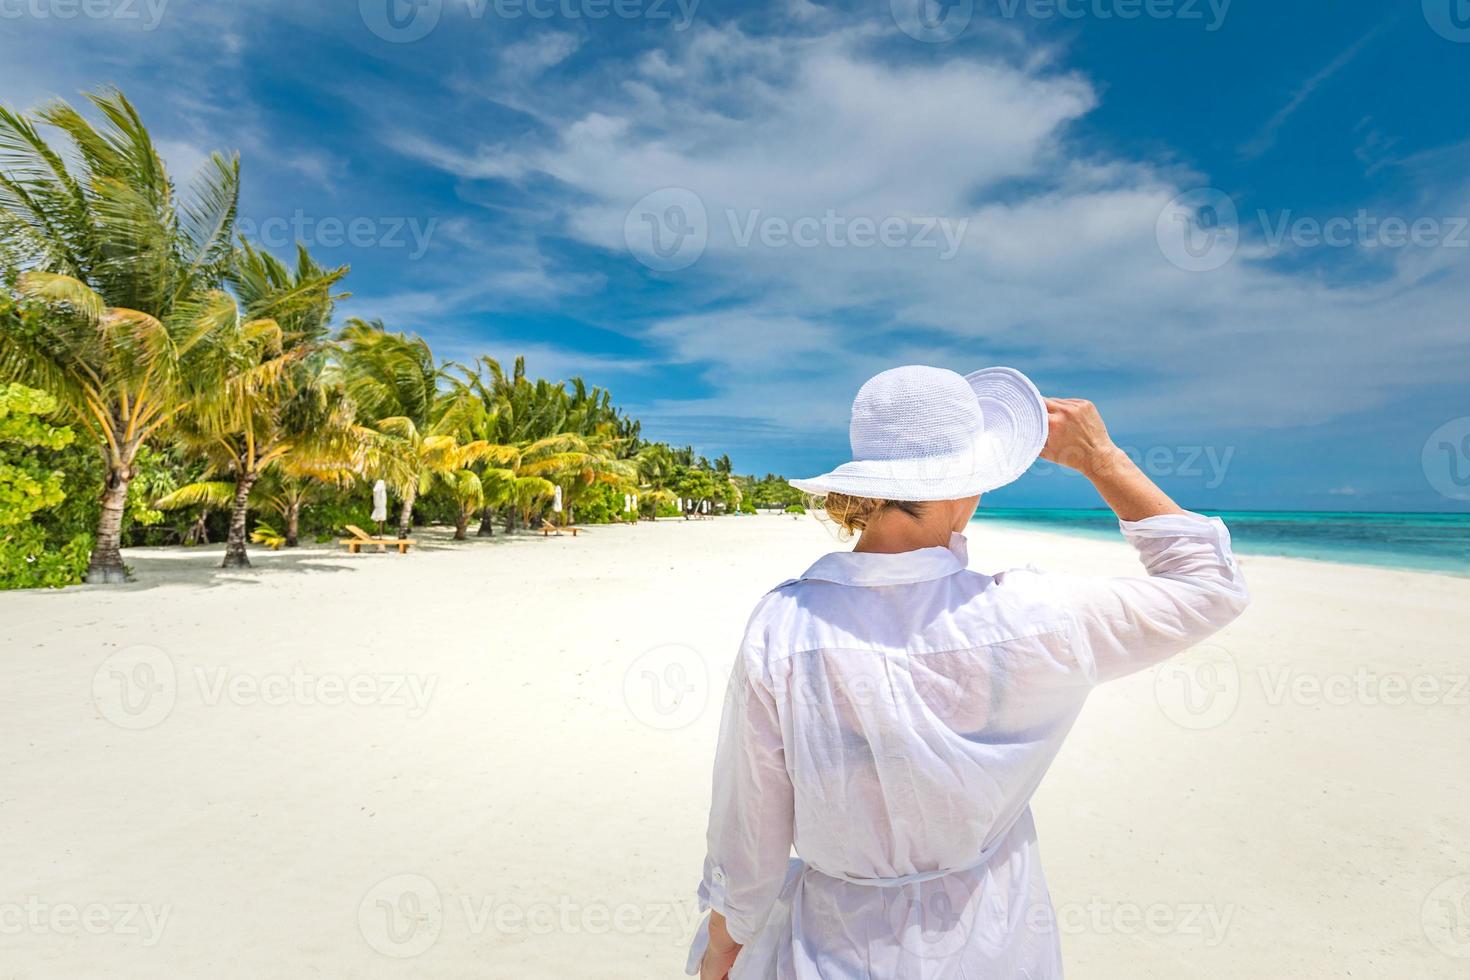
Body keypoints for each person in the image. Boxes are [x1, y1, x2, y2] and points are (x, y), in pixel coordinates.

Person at [688, 365, 1249, 979]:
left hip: (836, 947)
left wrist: (724, 945)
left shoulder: (785, 626)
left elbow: (750, 835)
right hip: (997, 943)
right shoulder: (1032, 616)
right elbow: (1210, 586)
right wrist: (1101, 460)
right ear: (969, 484)